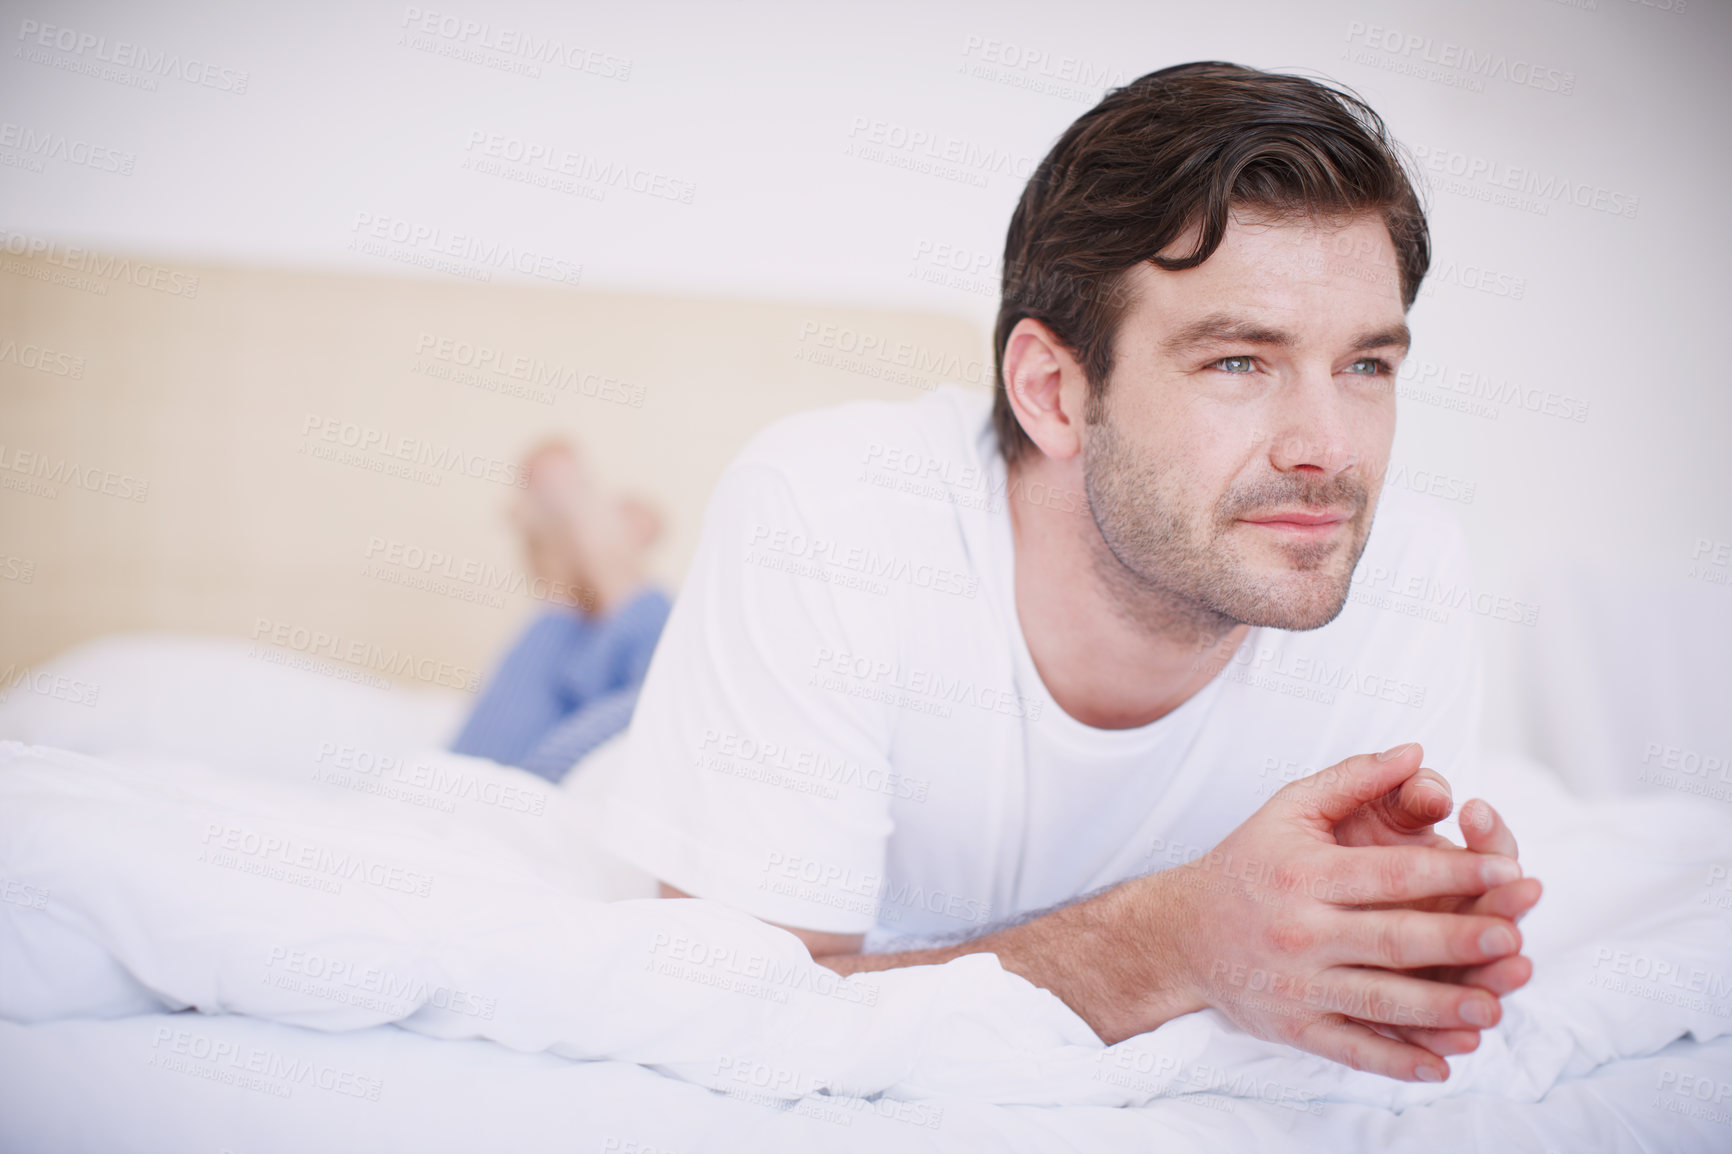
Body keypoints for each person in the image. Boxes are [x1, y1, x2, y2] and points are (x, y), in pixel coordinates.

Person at [594, 61, 1547, 1085]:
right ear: (1051, 390)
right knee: (597, 655)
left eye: (1365, 365)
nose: (1328, 450)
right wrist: (1172, 939)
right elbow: (722, 1021)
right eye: (1238, 361)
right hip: (618, 728)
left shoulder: (1408, 568)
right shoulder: (826, 513)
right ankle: (594, 556)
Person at [451, 441, 670, 782]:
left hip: (475, 787)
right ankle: (601, 566)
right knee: (669, 668)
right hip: (481, 798)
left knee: (667, 677)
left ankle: (569, 572)